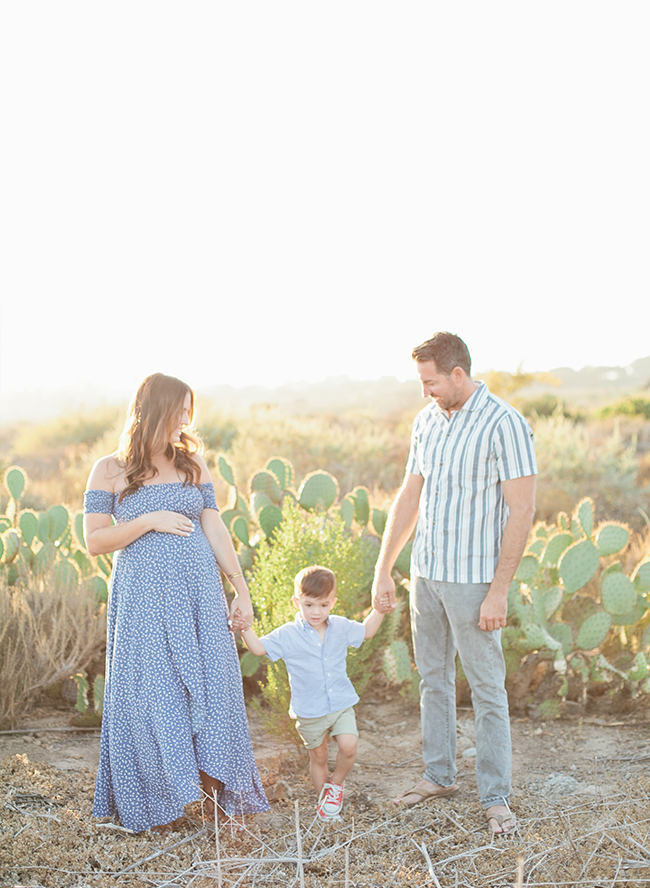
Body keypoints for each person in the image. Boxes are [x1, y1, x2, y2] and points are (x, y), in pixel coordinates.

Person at [83, 372, 269, 834]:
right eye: (179, 410)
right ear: (153, 411)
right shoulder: (109, 468)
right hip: (143, 600)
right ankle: (154, 803)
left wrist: (239, 588)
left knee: (211, 688)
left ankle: (211, 800)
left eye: (191, 410)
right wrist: (149, 519)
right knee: (152, 696)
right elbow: (94, 541)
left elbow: (215, 527)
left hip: (199, 596)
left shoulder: (193, 464)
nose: (186, 419)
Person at [371, 332, 536, 835]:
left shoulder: (505, 424)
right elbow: (408, 497)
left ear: (457, 374)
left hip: (474, 582)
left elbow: (522, 511)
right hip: (426, 575)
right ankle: (438, 776)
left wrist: (499, 590)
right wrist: (385, 567)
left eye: (430, 381)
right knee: (433, 680)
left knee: (487, 690)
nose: (425, 391)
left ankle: (495, 798)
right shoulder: (426, 422)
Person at [235, 565, 383, 821]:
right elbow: (258, 649)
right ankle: (325, 805)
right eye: (309, 605)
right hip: (309, 709)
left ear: (333, 602)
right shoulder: (288, 634)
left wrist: (379, 610)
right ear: (297, 601)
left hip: (340, 703)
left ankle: (335, 786)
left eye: (324, 605)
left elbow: (367, 631)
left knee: (349, 746)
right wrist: (244, 627)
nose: (316, 612)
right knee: (320, 756)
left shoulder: (340, 626)